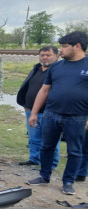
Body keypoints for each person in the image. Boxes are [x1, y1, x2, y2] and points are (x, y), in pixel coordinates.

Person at [26, 31, 88, 195]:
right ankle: (44, 176)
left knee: (75, 151)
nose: (60, 50)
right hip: (51, 114)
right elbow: (44, 91)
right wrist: (34, 113)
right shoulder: (57, 67)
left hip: (77, 117)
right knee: (47, 147)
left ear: (77, 46)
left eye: (64, 46)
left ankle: (68, 182)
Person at [16, 46, 60, 167]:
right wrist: (25, 104)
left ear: (57, 56)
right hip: (31, 111)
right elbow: (26, 86)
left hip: (49, 112)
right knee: (34, 138)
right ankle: (34, 159)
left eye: (48, 55)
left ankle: (51, 164)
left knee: (50, 141)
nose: (44, 57)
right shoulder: (36, 69)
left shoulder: (59, 71)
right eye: (42, 55)